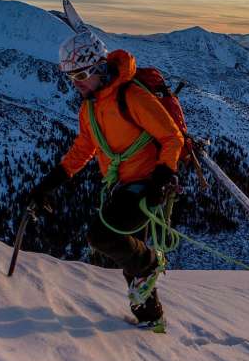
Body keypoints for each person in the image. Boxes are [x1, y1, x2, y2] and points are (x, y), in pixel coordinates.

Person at [28, 30, 184, 331]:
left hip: (147, 183)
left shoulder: (131, 96)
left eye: (82, 74)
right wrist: (49, 183)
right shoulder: (90, 107)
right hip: (124, 185)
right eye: (72, 77)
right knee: (130, 257)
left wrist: (163, 177)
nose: (77, 83)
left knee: (104, 237)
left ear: (100, 68)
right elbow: (84, 149)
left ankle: (151, 265)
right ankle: (151, 323)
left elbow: (171, 137)